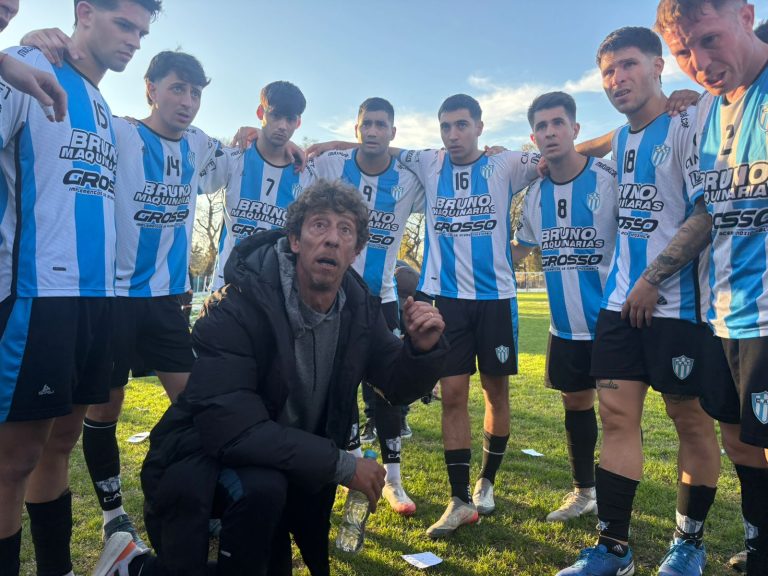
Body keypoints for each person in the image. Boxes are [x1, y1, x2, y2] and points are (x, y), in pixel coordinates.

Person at [93, 179, 449, 576]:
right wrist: (342, 465)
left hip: (283, 461)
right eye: (319, 225)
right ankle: (135, 568)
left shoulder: (357, 308)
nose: (332, 239)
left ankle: (134, 568)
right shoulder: (237, 306)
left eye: (345, 230)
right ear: (295, 240)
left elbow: (395, 384)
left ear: (355, 251)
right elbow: (232, 430)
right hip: (203, 455)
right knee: (263, 491)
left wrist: (421, 350)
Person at [0, 1, 161, 575]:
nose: (134, 41)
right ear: (85, 12)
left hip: (97, 300)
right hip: (38, 295)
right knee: (14, 460)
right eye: (125, 25)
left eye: (142, 32)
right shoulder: (25, 63)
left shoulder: (101, 102)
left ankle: (58, 568)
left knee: (61, 443)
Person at [557, 26, 722, 576]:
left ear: (658, 66)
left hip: (679, 306)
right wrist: (552, 155)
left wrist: (653, 278)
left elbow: (706, 212)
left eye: (628, 65)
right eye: (608, 71)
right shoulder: (622, 139)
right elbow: (597, 144)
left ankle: (688, 544)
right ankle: (613, 549)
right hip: (619, 305)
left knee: (689, 420)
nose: (617, 79)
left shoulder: (688, 123)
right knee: (616, 416)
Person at [650, 1, 768, 572]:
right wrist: (653, 277)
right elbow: (707, 212)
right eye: (683, 52)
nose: (699, 62)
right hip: (724, 314)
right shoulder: (709, 113)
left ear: (745, 16)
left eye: (709, 39)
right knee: (740, 442)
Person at [391, 94, 540, 537]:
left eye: (461, 125)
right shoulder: (429, 162)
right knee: (453, 395)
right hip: (448, 302)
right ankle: (458, 500)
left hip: (496, 300)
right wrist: (323, 147)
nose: (453, 135)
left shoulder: (505, 164)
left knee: (496, 394)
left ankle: (485, 482)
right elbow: (377, 146)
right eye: (446, 126)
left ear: (479, 126)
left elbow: (565, 153)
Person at [303, 97, 425, 515]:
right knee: (334, 387)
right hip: (333, 300)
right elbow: (294, 156)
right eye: (366, 124)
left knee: (387, 393)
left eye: (380, 125)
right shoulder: (331, 165)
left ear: (392, 131)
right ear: (356, 130)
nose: (373, 131)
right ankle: (347, 467)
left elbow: (447, 166)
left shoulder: (410, 178)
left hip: (382, 301)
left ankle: (394, 481)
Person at [512, 91, 618, 522]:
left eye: (558, 123)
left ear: (575, 129)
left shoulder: (609, 179)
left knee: (617, 414)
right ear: (533, 137)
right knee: (575, 405)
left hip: (610, 323)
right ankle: (583, 493)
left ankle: (615, 500)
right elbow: (521, 248)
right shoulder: (534, 195)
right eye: (541, 126)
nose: (550, 132)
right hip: (564, 326)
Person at [208, 80, 307, 291]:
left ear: (298, 123)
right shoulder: (234, 159)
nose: (282, 126)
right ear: (261, 112)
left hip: (276, 291)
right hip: (227, 288)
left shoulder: (306, 172)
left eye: (290, 119)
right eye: (275, 115)